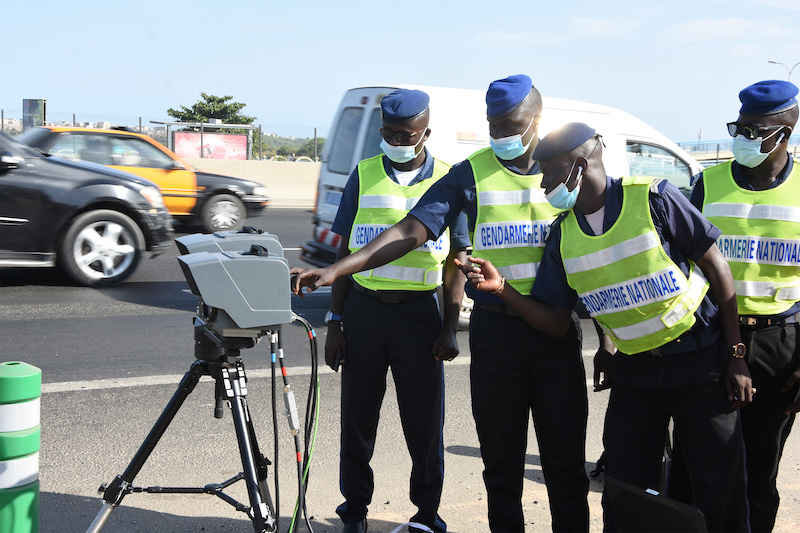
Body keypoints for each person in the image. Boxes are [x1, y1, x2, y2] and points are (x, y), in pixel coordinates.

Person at [293, 75, 590, 533]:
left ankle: (429, 514)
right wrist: (335, 273)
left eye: (510, 127)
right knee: (502, 469)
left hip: (554, 336)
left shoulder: (566, 172)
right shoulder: (469, 174)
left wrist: (608, 337)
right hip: (497, 336)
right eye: (493, 127)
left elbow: (606, 253)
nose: (500, 137)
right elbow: (411, 231)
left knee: (566, 468)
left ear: (537, 121)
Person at [455, 122, 753, 532]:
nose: (542, 184)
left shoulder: (654, 199)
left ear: (579, 166)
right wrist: (502, 288)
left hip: (699, 362)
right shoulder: (563, 236)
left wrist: (736, 355)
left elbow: (717, 266)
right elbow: (559, 323)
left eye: (549, 172)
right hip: (635, 376)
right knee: (625, 490)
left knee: (720, 489)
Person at [312, 88, 468, 533]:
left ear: (426, 133)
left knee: (423, 424)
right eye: (389, 133)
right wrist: (335, 322)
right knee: (358, 421)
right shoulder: (363, 175)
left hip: (419, 318)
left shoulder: (448, 179)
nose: (397, 140)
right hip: (364, 312)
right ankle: (355, 511)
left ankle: (426, 514)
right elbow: (344, 254)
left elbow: (458, 258)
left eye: (406, 134)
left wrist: (450, 328)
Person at [668, 79, 800, 532]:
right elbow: (681, 264)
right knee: (688, 465)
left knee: (758, 473)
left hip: (779, 344)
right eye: (738, 128)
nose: (741, 139)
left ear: (786, 130)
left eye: (754, 131)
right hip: (710, 339)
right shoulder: (708, 184)